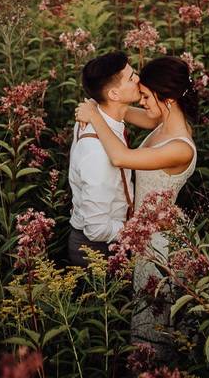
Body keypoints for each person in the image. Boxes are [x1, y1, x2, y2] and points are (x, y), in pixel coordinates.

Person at [74, 55, 198, 361]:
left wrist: (93, 113)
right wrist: (100, 103)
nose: (141, 102)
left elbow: (120, 157)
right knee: (150, 317)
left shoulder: (179, 147)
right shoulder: (162, 121)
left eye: (145, 96)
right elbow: (123, 110)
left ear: (167, 99)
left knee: (155, 324)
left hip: (161, 241)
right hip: (147, 232)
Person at [67, 51, 160, 267]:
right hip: (97, 251)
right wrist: (141, 230)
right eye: (131, 77)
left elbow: (154, 120)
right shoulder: (97, 152)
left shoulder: (98, 114)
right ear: (114, 95)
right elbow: (97, 228)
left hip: (108, 241)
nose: (138, 79)